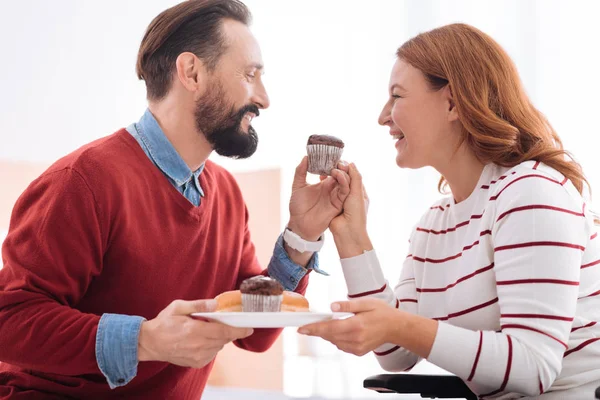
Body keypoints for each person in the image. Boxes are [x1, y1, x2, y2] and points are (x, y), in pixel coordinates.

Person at [0, 1, 350, 398]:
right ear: (192, 72)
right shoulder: (83, 181)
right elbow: (9, 318)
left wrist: (302, 236)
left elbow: (254, 333)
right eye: (250, 75)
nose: (264, 98)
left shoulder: (227, 196)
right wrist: (144, 340)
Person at [299, 23, 600, 399]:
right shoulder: (435, 224)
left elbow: (533, 366)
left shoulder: (532, 193)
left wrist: (400, 326)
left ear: (453, 103)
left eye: (397, 96)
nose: (383, 116)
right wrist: (351, 234)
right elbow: (396, 353)